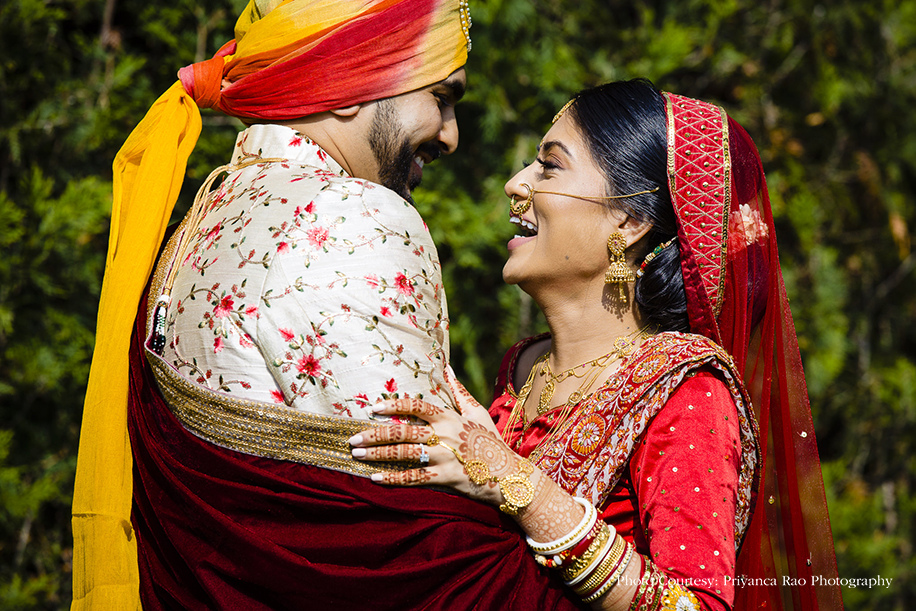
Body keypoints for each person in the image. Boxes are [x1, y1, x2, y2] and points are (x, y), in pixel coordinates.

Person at [72, 1, 584, 609]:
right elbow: (423, 536)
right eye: (442, 98)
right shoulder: (354, 217)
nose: (450, 135)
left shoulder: (205, 211)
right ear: (350, 77)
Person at [350, 80, 844, 610]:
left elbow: (697, 604)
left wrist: (517, 482)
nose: (516, 184)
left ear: (629, 221)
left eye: (549, 166)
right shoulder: (523, 369)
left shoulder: (686, 392)